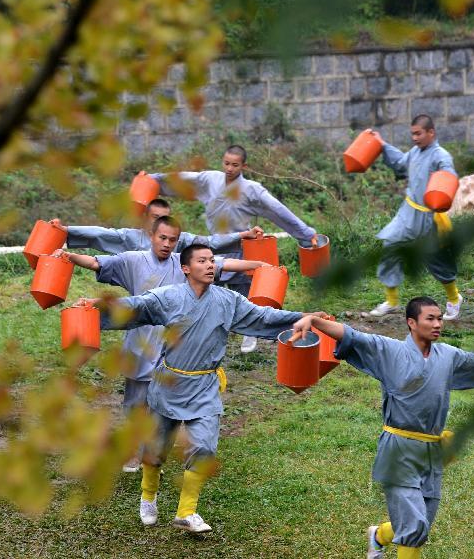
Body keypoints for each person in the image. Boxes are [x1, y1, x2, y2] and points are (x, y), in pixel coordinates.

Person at [75, 243, 320, 532]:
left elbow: (262, 317)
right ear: (186, 268)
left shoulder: (229, 301)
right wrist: (98, 304)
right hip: (168, 385)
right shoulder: (169, 297)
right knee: (155, 450)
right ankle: (148, 498)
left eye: (212, 261)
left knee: (204, 446)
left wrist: (303, 317)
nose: (210, 266)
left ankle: (186, 512)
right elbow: (136, 306)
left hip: (204, 386)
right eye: (202, 261)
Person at [288, 297, 474, 559]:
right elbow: (352, 335)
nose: (438, 324)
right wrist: (313, 320)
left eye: (440, 318)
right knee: (414, 527)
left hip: (432, 451)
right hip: (399, 450)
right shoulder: (389, 351)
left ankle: (378, 535)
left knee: (420, 524)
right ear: (411, 323)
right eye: (430, 318)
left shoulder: (448, 355)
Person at [54, 217, 269, 472]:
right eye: (162, 238)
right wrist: (68, 256)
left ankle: (161, 449)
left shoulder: (185, 265)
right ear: (151, 236)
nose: (167, 244)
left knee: (167, 406)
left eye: (172, 240)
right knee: (135, 405)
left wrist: (257, 264)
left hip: (176, 349)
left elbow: (224, 264)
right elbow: (96, 262)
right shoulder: (133, 260)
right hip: (141, 343)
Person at [149, 145, 319, 353]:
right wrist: (152, 180)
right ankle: (202, 331)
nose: (229, 168)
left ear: (244, 166)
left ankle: (250, 333)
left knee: (245, 296)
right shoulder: (210, 180)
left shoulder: (252, 190)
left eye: (235, 165)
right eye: (226, 163)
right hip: (213, 248)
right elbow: (183, 179)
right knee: (205, 293)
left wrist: (306, 233)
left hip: (240, 248)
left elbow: (278, 210)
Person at [364, 116, 464, 320]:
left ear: (431, 133)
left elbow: (449, 178)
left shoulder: (441, 156)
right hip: (408, 212)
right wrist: (382, 145)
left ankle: (454, 299)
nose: (414, 138)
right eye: (412, 133)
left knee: (437, 259)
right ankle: (391, 301)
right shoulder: (415, 152)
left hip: (430, 217)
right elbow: (401, 164)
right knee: (391, 244)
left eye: (418, 133)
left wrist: (441, 195)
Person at [49, 198, 263, 255]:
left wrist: (245, 234)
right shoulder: (132, 237)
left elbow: (209, 242)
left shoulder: (181, 239)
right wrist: (66, 230)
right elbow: (100, 234)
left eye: (165, 218)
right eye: (155, 217)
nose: (161, 223)